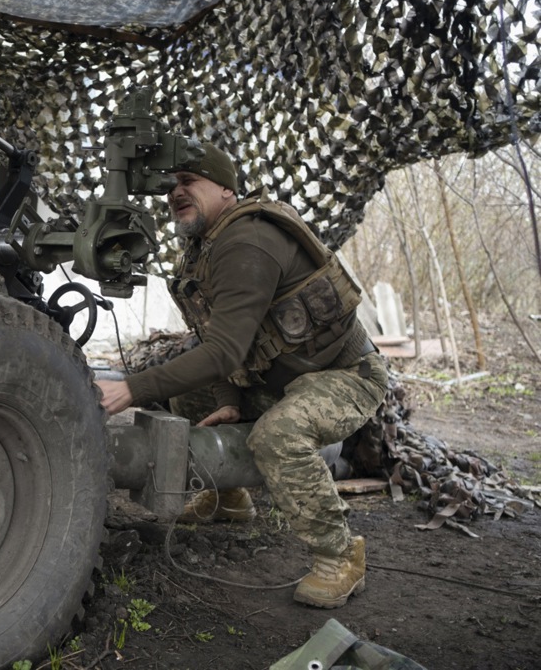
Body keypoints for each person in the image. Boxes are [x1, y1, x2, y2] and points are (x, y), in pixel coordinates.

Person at [95, 142, 389, 609]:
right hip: (279, 379)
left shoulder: (248, 241)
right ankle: (227, 498)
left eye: (189, 181)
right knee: (189, 399)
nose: (176, 192)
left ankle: (340, 556)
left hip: (346, 374)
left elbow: (221, 352)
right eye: (171, 185)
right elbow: (212, 336)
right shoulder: (202, 249)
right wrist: (228, 398)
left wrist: (131, 389)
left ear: (226, 190)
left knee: (278, 435)